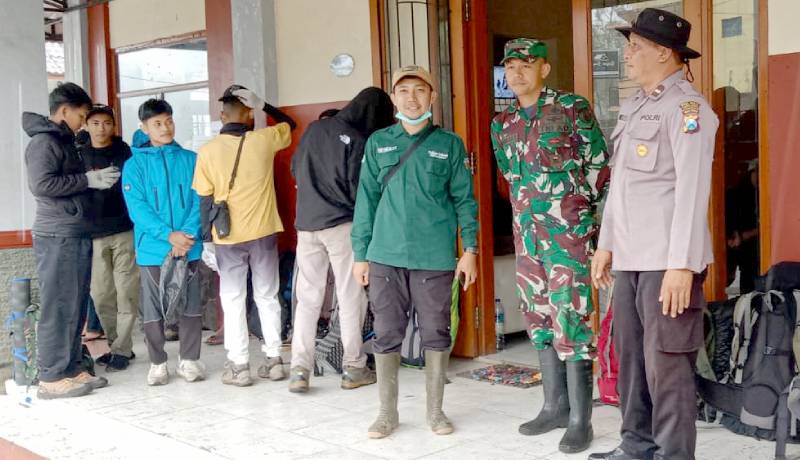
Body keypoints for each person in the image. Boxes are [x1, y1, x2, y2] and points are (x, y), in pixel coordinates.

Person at [589, 8, 719, 460]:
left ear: (664, 53)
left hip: (667, 262)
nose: (627, 56)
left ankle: (673, 455)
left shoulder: (689, 110)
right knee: (631, 362)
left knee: (667, 367)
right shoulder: (636, 106)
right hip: (629, 258)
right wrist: (606, 244)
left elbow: (692, 191)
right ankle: (636, 447)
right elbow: (622, 185)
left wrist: (682, 264)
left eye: (635, 47)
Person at [490, 38, 610, 454]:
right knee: (538, 317)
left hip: (567, 238)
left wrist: (584, 223)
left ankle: (581, 419)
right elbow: (510, 177)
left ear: (544, 67)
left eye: (527, 63)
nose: (517, 72)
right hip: (528, 237)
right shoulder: (501, 123)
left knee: (572, 318)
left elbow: (599, 169)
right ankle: (554, 405)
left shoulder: (571, 109)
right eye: (510, 65)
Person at [351, 66, 478, 439]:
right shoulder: (378, 143)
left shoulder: (449, 144)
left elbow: (465, 201)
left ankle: (436, 412)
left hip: (434, 257)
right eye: (403, 91)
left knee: (437, 332)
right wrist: (361, 254)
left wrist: (469, 249)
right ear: (393, 99)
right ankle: (386, 414)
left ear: (432, 97)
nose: (411, 98)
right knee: (387, 333)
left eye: (419, 90)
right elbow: (366, 201)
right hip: (385, 256)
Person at [289, 87, 394, 393]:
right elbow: (359, 189)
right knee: (350, 296)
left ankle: (299, 369)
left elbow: (296, 168)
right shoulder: (358, 140)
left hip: (306, 225)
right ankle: (354, 367)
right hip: (340, 226)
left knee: (308, 298)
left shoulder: (314, 129)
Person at [193, 85, 296, 386]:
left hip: (227, 237)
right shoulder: (264, 140)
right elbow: (291, 124)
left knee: (233, 298)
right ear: (249, 115)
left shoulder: (208, 150)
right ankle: (274, 359)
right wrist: (265, 105)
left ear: (222, 116)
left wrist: (205, 239)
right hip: (264, 232)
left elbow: (205, 199)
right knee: (267, 295)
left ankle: (239, 366)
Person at [24, 82, 114, 399]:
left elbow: (66, 182)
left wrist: (92, 182)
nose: (84, 121)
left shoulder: (67, 141)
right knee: (58, 306)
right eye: (82, 114)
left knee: (75, 304)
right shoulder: (44, 143)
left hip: (74, 230)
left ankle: (71, 368)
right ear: (65, 110)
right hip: (57, 234)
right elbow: (42, 184)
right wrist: (87, 179)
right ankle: (51, 377)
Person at [122, 99, 206, 386]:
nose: (165, 127)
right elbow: (138, 209)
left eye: (168, 120)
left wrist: (185, 235)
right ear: (144, 128)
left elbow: (200, 200)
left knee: (191, 304)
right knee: (153, 308)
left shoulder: (191, 159)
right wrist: (168, 235)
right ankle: (158, 363)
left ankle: (190, 360)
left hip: (188, 244)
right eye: (157, 123)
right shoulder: (134, 166)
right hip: (153, 248)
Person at [77, 104, 139, 372]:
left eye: (106, 123)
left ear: (114, 126)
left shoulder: (124, 152)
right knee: (101, 295)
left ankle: (122, 350)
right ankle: (116, 343)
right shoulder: (78, 154)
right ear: (86, 126)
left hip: (124, 229)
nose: (101, 128)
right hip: (94, 233)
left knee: (126, 292)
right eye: (95, 123)